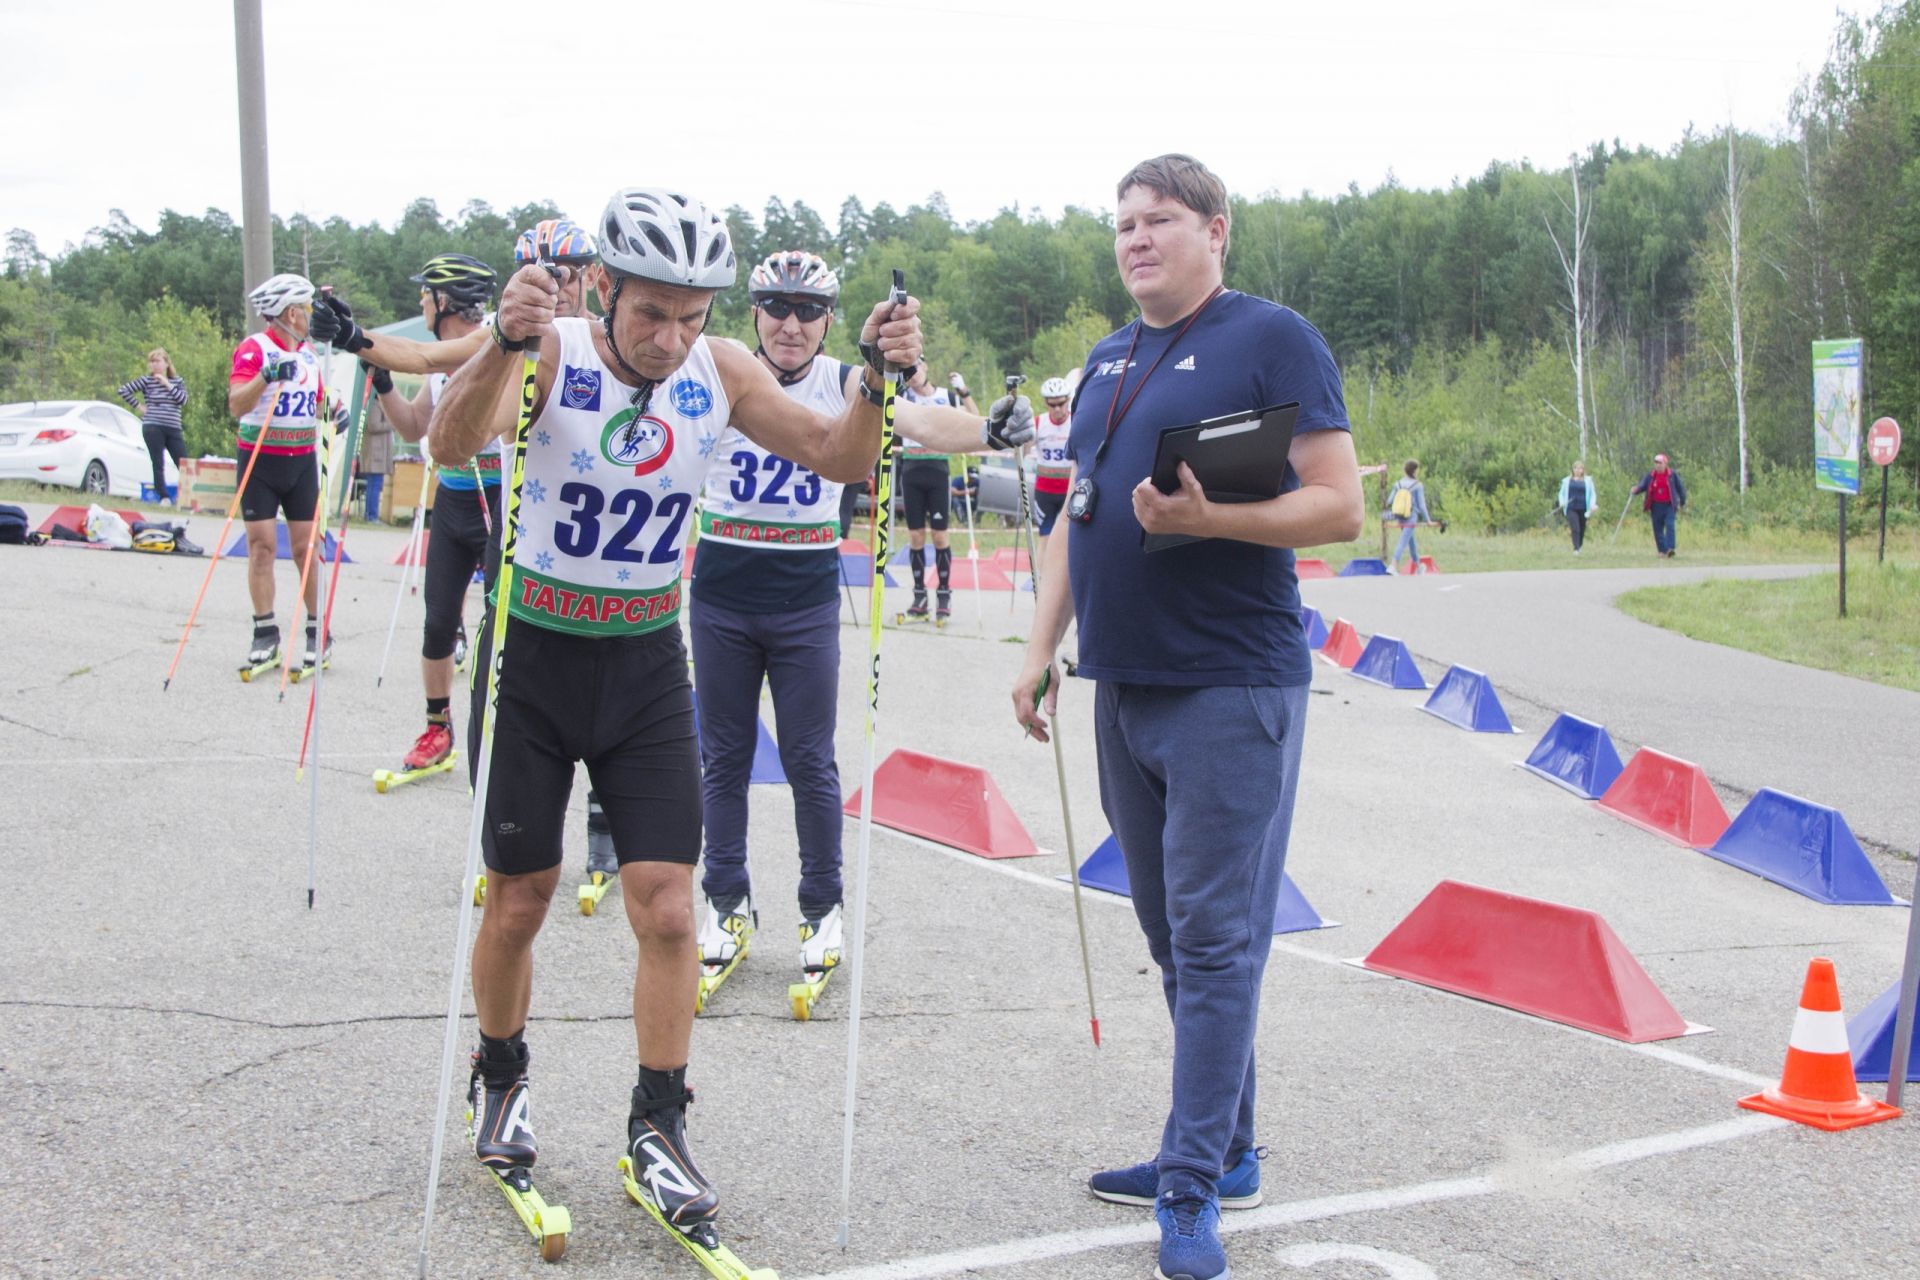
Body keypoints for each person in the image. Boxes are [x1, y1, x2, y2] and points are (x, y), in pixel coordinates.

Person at [426, 187, 924, 1243]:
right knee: (521, 899)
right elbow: (448, 444)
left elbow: (840, 455)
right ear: (603, 287)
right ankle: (500, 1076)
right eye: (652, 311)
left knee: (666, 907)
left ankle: (658, 1121)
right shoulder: (550, 347)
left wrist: (877, 379)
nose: (671, 337)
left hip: (648, 657)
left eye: (693, 315)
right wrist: (501, 346)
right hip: (536, 650)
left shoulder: (720, 370)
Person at [1010, 155, 1362, 1280]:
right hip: (1125, 684)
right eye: (1122, 222)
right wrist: (1037, 652)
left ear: (1217, 229)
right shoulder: (1111, 357)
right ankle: (1233, 1142)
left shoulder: (1272, 338)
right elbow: (1075, 514)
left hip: (1231, 686)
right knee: (1174, 940)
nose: (1135, 238)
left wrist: (1221, 518)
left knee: (1215, 942)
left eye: (1159, 219)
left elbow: (1338, 504)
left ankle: (1191, 1179)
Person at [692, 249, 1027, 1004]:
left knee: (812, 760)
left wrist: (989, 431)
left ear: (831, 321)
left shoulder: (847, 380)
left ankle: (820, 911)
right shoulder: (718, 372)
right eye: (776, 305)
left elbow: (920, 421)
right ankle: (725, 902)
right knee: (723, 758)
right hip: (721, 590)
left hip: (804, 594)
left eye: (809, 310)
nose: (791, 323)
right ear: (752, 310)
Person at [361, 253, 504, 782]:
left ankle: (501, 732)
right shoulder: (440, 361)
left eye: (426, 294)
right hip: (453, 497)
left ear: (445, 301)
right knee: (439, 621)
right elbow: (413, 428)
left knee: (498, 629)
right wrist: (382, 385)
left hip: (497, 494)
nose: (420, 301)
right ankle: (436, 729)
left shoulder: (493, 343)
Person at [225, 273, 328, 675]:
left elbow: (317, 402)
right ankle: (265, 633)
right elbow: (236, 403)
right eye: (304, 308)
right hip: (260, 462)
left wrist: (331, 411)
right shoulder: (254, 349)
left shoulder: (309, 354)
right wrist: (266, 376)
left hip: (300, 463)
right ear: (290, 313)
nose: (308, 315)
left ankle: (319, 630)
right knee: (262, 547)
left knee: (306, 550)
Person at [894, 364, 980, 621]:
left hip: (937, 470)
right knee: (916, 536)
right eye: (908, 371)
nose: (913, 374)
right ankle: (919, 595)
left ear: (926, 367)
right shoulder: (905, 397)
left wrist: (963, 391)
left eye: (916, 367)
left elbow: (974, 416)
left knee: (940, 536)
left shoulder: (945, 396)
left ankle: (944, 594)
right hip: (911, 470)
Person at [117, 349, 188, 504]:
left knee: (183, 462)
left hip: (173, 426)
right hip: (153, 425)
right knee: (158, 462)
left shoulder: (177, 381)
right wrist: (139, 406)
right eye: (152, 362)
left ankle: (189, 497)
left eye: (158, 361)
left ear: (166, 364)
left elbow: (182, 400)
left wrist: (167, 384)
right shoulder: (147, 381)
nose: (155, 365)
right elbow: (123, 390)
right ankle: (163, 496)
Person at [1032, 376, 1073, 557]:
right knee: (1045, 537)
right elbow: (1025, 449)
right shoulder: (1038, 423)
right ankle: (1042, 582)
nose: (1057, 409)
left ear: (1068, 400)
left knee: (1070, 538)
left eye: (1061, 403)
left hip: (1069, 489)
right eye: (1052, 404)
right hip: (1045, 490)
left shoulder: (1076, 421)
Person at [1630, 452, 1687, 557]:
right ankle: (1662, 550)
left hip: (1669, 505)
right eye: (1656, 463)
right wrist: (1636, 489)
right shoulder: (1651, 476)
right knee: (1657, 529)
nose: (1657, 465)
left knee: (1670, 525)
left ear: (1665, 464)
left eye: (1660, 463)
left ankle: (1670, 548)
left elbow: (1681, 488)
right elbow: (1642, 485)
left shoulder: (1672, 475)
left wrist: (1683, 502)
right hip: (1656, 505)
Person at [1385, 459, 1429, 573]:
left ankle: (1419, 566)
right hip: (1411, 517)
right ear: (1414, 471)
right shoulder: (1418, 485)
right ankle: (1393, 565)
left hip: (1399, 516)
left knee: (1410, 541)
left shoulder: (1398, 484)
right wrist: (1428, 520)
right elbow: (1422, 505)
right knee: (1403, 541)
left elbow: (1389, 501)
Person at [1557, 461, 1596, 554]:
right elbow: (1561, 494)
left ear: (1583, 470)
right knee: (1575, 527)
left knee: (1582, 528)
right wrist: (1562, 502)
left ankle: (1579, 545)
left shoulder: (1588, 481)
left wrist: (1592, 505)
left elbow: (1593, 494)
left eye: (1580, 468)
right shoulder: (1567, 481)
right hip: (1571, 508)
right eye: (1575, 468)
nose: (1578, 470)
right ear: (1573, 469)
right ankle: (1576, 548)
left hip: (1583, 508)